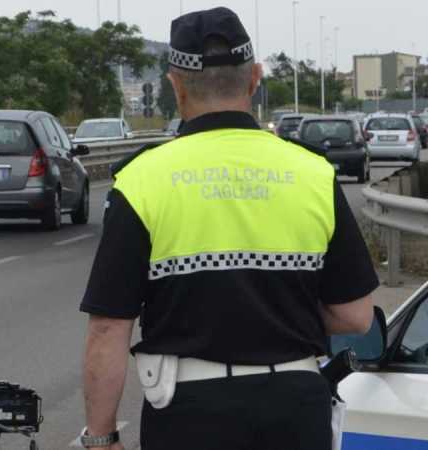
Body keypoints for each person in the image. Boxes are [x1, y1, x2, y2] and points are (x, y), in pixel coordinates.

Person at [79, 7, 377, 450]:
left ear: (176, 85)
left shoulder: (141, 180)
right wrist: (273, 311)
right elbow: (355, 316)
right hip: (297, 407)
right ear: (255, 79)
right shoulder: (312, 173)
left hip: (188, 412)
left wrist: (101, 438)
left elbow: (109, 328)